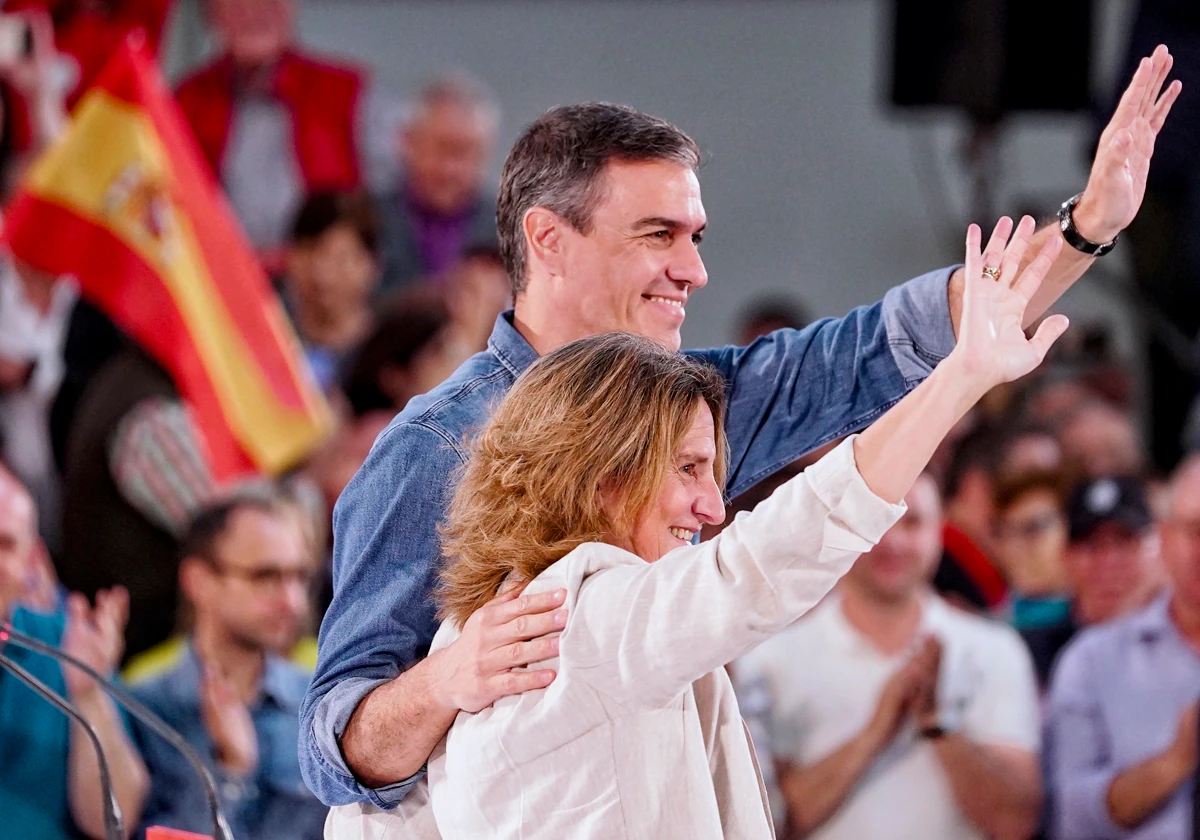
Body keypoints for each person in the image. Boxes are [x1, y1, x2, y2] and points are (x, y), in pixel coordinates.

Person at [302, 53, 1180, 810]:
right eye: (659, 235)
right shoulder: (431, 447)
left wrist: (1086, 229)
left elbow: (899, 342)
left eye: (696, 235)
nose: (695, 268)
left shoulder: (696, 399)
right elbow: (331, 748)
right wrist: (447, 681)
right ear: (548, 240)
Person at [393, 213, 1061, 838]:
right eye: (687, 469)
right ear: (601, 476)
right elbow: (774, 551)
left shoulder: (485, 627)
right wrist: (957, 380)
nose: (714, 507)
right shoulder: (583, 616)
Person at [738, 473, 1041, 840]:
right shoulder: (771, 658)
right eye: (876, 521)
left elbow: (1016, 822)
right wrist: (877, 730)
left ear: (939, 531)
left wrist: (937, 723)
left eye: (911, 522)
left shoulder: (995, 649)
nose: (892, 540)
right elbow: (768, 824)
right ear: (842, 529)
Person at [129, 494, 327, 839]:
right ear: (198, 581)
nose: (291, 601)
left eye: (299, 578)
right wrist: (231, 771)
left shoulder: (318, 702)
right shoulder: (146, 708)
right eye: (266, 576)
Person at [1044, 455, 1200, 839]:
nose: (1109, 563)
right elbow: (1070, 818)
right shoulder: (1088, 660)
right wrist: (1175, 762)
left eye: (1125, 542)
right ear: (1165, 538)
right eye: (1196, 530)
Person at [175, 0, 395, 267]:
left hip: (323, 283)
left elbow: (387, 205)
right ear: (210, 14)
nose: (252, 11)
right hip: (217, 280)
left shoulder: (352, 93)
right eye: (236, 4)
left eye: (268, 3)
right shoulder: (183, 102)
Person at [0, 464, 147, 839]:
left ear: (31, 560)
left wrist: (89, 693)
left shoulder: (65, 644)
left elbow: (115, 821)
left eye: (6, 544)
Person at [1022, 474, 1162, 688]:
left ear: (1157, 549)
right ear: (1065, 556)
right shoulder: (1032, 655)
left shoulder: (1185, 646)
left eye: (1124, 542)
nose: (1108, 562)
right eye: (1091, 545)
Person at [376, 74, 500, 294]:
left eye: (464, 153)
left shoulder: (514, 230)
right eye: (442, 149)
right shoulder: (366, 220)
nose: (449, 170)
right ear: (407, 142)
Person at [283, 190, 381, 393]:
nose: (321, 272)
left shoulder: (387, 354)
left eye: (339, 259)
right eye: (309, 252)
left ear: (371, 265)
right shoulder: (272, 336)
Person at [992, 469, 1072, 633]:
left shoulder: (1103, 625)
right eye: (1004, 533)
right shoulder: (989, 630)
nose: (1013, 548)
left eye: (1032, 529)